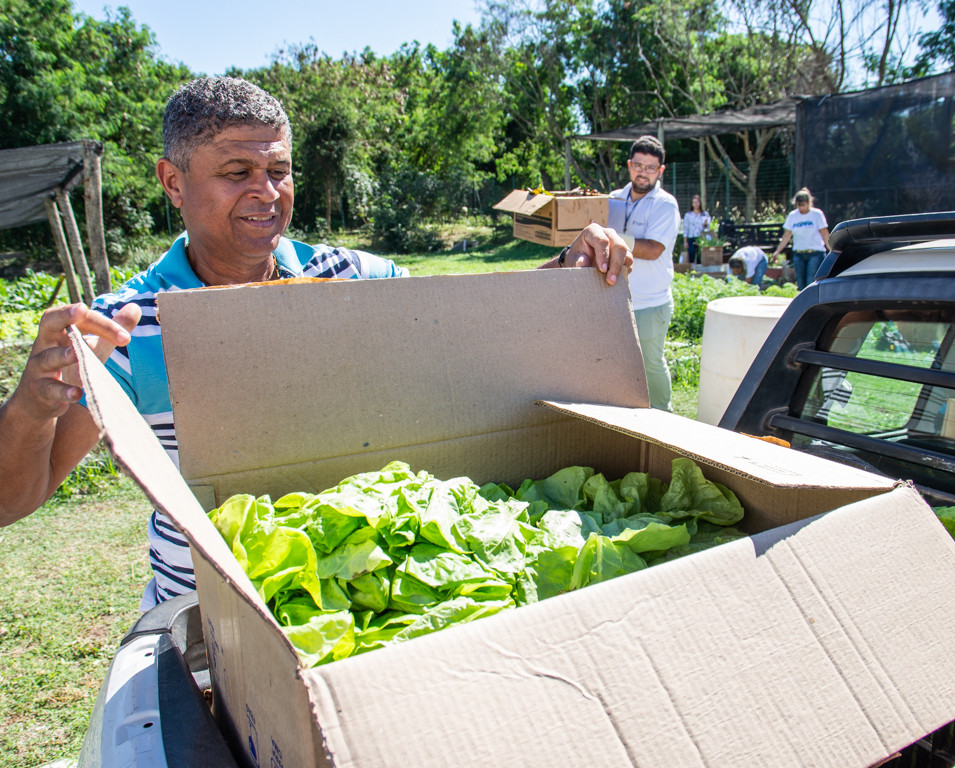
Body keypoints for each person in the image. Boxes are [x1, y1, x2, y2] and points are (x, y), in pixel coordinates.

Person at [0, 76, 632, 609]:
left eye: (279, 170)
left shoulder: (351, 280)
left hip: (360, 598)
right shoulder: (128, 327)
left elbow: (466, 327)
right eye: (237, 172)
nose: (267, 193)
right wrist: (32, 407)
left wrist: (566, 276)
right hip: (205, 614)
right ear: (173, 181)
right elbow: (16, 500)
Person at [609, 135, 681, 412]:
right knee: (616, 362)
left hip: (651, 301)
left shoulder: (665, 204)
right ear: (629, 165)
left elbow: (652, 250)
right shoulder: (613, 199)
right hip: (614, 298)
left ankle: (663, 415)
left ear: (660, 170)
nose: (643, 172)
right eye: (638, 165)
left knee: (651, 363)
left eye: (651, 168)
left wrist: (611, 237)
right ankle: (626, 414)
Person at [772, 188, 829, 290]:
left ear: (809, 203)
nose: (801, 208)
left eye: (803, 205)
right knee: (801, 284)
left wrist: (831, 249)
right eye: (799, 205)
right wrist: (777, 251)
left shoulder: (817, 214)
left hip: (815, 253)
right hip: (799, 254)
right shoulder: (793, 216)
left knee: (810, 282)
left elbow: (824, 233)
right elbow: (787, 235)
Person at [680, 194, 711, 264]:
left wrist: (705, 224)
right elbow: (686, 228)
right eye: (694, 202)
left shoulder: (705, 214)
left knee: (700, 255)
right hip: (691, 237)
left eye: (697, 202)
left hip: (701, 237)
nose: (696, 204)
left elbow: (707, 228)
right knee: (691, 254)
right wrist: (685, 241)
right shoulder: (688, 215)